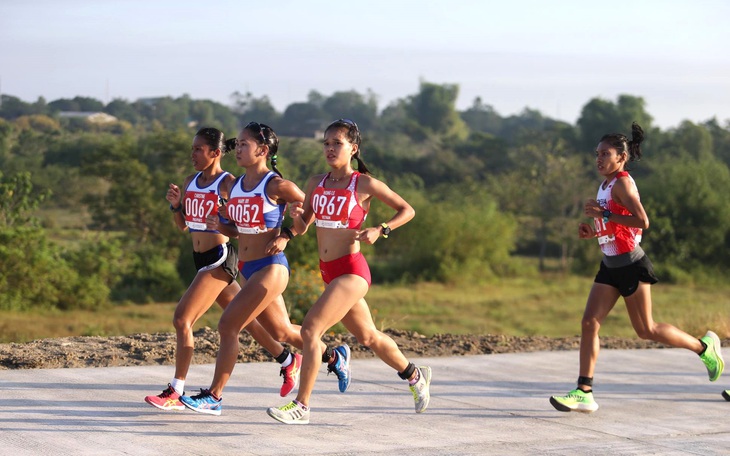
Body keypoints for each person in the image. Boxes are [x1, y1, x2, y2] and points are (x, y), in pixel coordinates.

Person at [549, 122, 724, 413]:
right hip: (610, 265)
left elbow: (642, 222)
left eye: (605, 154)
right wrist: (592, 231)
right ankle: (584, 392)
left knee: (647, 329)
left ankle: (705, 349)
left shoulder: (623, 183)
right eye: (597, 153)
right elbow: (616, 227)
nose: (599, 158)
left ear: (621, 157)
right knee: (589, 323)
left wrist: (603, 212)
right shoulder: (605, 184)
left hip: (631, 264)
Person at [267, 118, 432, 425]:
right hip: (328, 272)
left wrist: (381, 229)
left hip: (352, 272)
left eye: (337, 144)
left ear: (353, 149)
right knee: (369, 336)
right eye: (326, 144)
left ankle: (301, 405)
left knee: (310, 330)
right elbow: (304, 227)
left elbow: (407, 210)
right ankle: (414, 374)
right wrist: (295, 219)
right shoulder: (317, 182)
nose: (330, 149)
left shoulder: (364, 183)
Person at [178, 122, 346, 416]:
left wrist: (287, 234)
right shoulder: (237, 185)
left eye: (244, 144)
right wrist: (222, 225)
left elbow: (309, 211)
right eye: (238, 143)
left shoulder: (276, 185)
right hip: (247, 268)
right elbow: (237, 230)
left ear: (263, 150)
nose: (238, 149)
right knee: (282, 331)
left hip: (271, 268)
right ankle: (333, 356)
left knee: (228, 325)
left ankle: (214, 396)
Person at [144, 127, 302, 412]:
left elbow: (245, 222)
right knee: (257, 324)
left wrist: (285, 233)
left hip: (221, 259)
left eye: (198, 149)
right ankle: (289, 359)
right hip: (205, 259)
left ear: (215, 153)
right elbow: (184, 226)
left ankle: (177, 391)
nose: (192, 154)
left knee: (184, 320)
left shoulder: (229, 183)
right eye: (191, 148)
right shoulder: (190, 181)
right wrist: (176, 207)